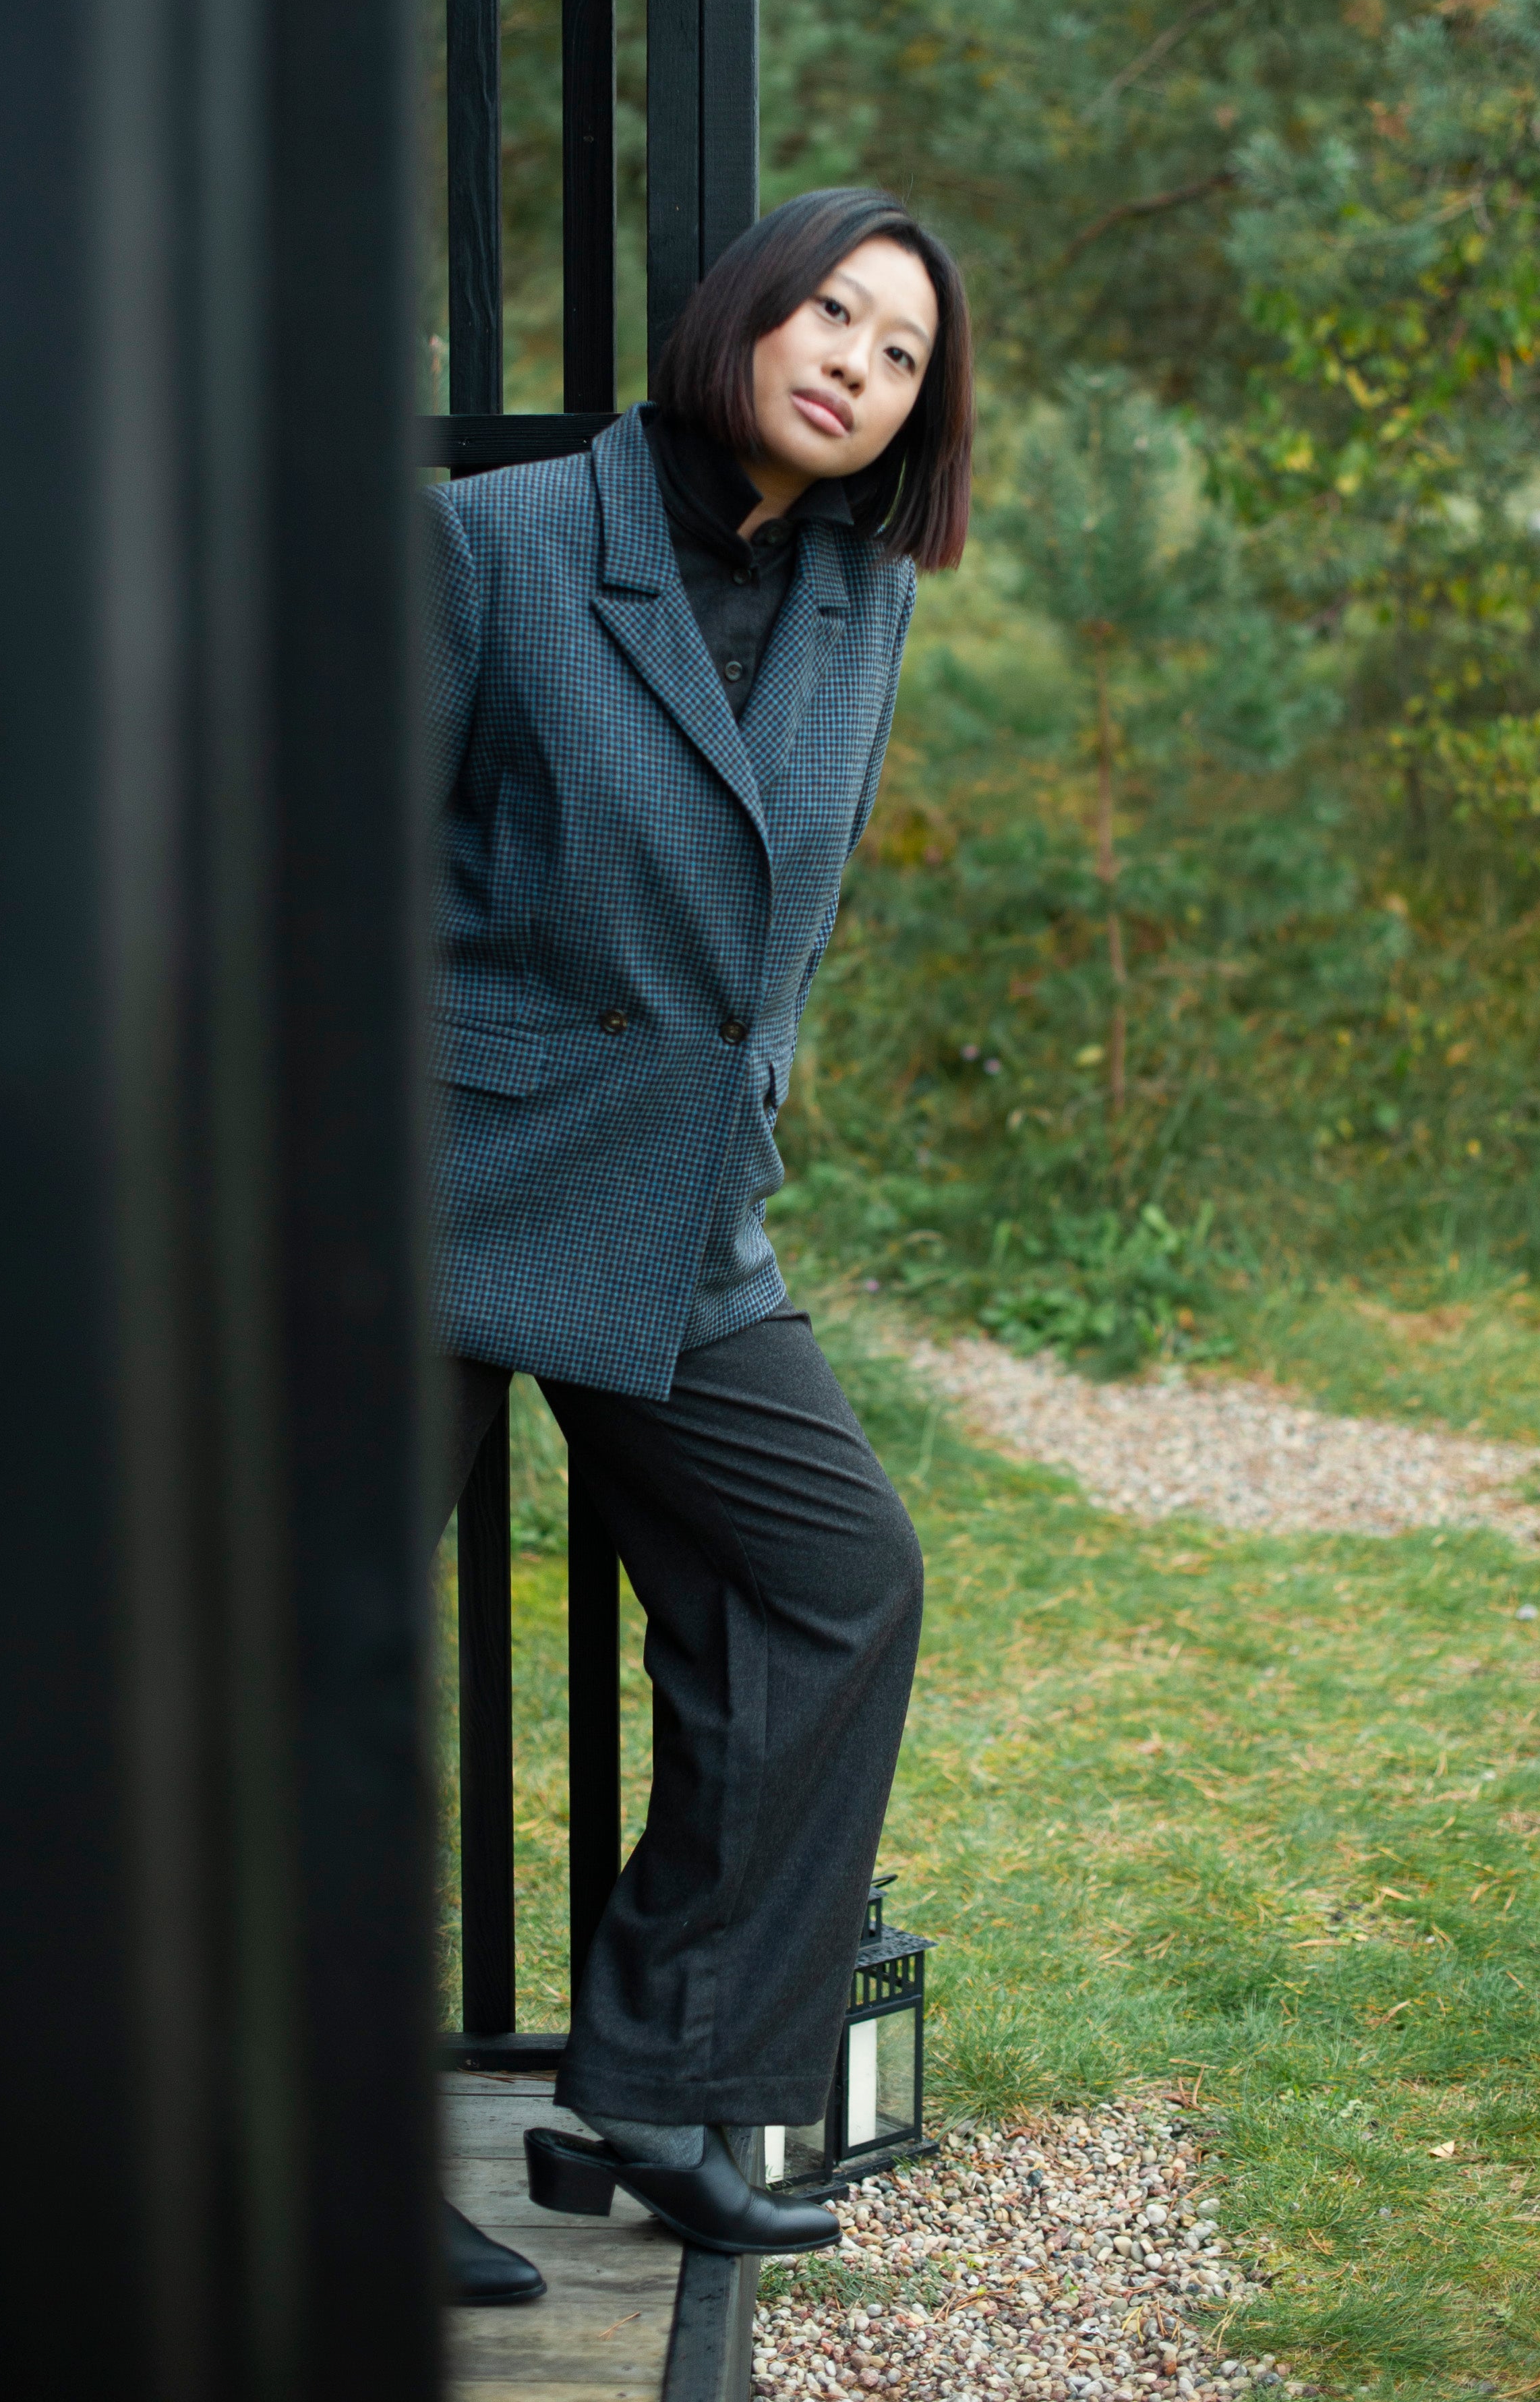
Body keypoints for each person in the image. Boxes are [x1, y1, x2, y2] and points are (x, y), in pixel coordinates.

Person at [425, 188, 973, 2298]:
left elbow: (790, 911)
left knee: (830, 1582)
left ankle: (658, 2084)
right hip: (450, 1171)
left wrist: (750, 1100)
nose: (853, 359)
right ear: (745, 310)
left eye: (902, 351)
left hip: (679, 1199)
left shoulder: (860, 595)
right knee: (333, 1654)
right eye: (831, 310)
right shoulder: (505, 541)